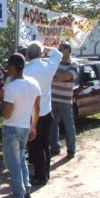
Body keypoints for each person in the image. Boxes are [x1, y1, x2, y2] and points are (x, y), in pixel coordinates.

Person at [0, 53, 41, 198]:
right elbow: (36, 107)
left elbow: (7, 113)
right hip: (25, 126)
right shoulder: (33, 83)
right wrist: (34, 126)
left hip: (11, 128)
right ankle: (26, 190)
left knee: (13, 163)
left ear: (12, 67)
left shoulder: (10, 88)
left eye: (8, 65)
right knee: (22, 159)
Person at [24, 42, 61, 185]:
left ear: (28, 55)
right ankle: (45, 173)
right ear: (40, 54)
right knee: (45, 145)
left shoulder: (26, 70)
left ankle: (40, 177)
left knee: (36, 147)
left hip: (33, 114)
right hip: (47, 111)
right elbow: (58, 54)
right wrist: (46, 48)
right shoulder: (48, 66)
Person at [50, 42, 78, 158]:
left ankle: (71, 150)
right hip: (53, 98)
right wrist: (59, 76)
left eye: (61, 49)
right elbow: (53, 75)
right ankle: (55, 148)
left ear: (67, 50)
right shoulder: (56, 62)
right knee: (53, 125)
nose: (59, 51)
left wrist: (57, 75)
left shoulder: (74, 64)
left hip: (66, 101)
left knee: (68, 125)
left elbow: (65, 77)